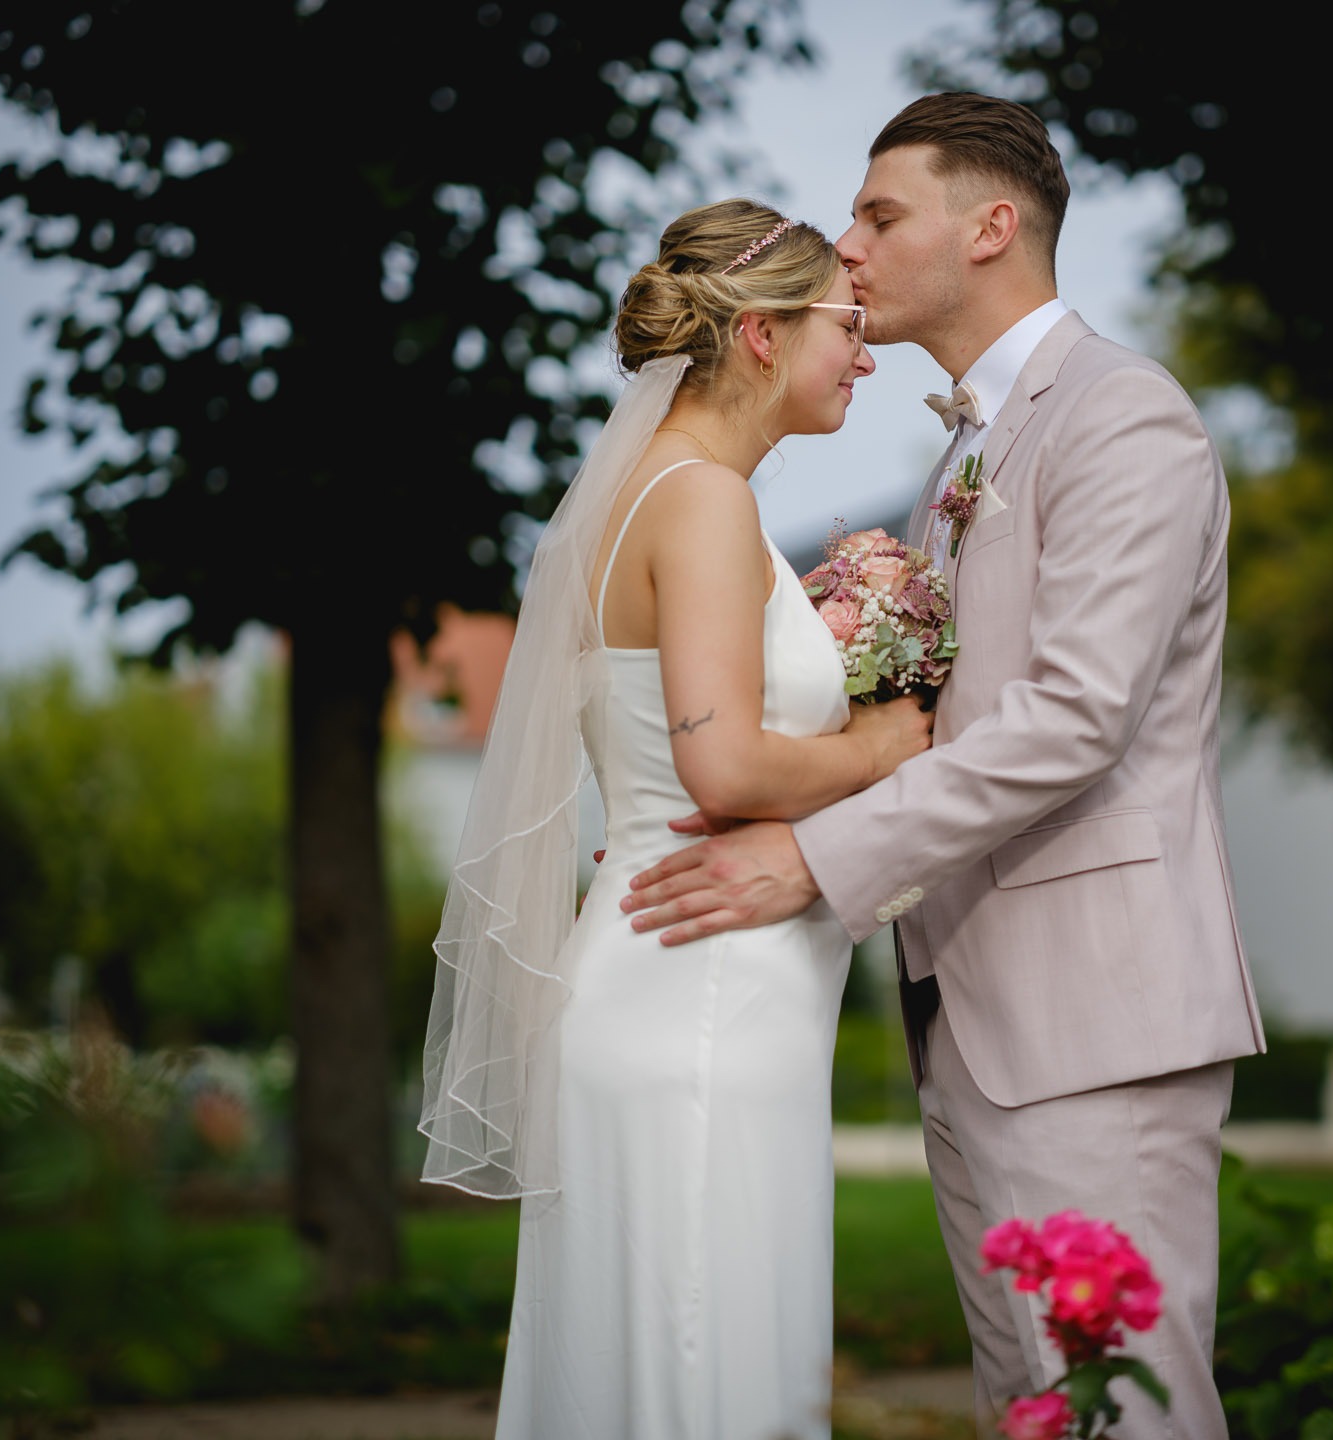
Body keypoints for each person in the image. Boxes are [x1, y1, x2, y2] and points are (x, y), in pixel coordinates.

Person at [624, 95, 1266, 1438]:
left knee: (1122, 1409)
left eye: (879, 214)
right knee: (1037, 1410)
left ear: (992, 226)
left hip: (1094, 1020)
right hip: (971, 1013)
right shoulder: (963, 452)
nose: (846, 250)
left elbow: (1074, 719)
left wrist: (810, 857)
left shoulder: (1121, 419)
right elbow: (932, 714)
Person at [417, 198, 932, 1440]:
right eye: (843, 324)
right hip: (700, 1005)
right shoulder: (698, 498)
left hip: (679, 974)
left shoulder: (657, 495)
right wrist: (888, 739)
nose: (864, 353)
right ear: (759, 338)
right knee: (708, 1373)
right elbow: (725, 768)